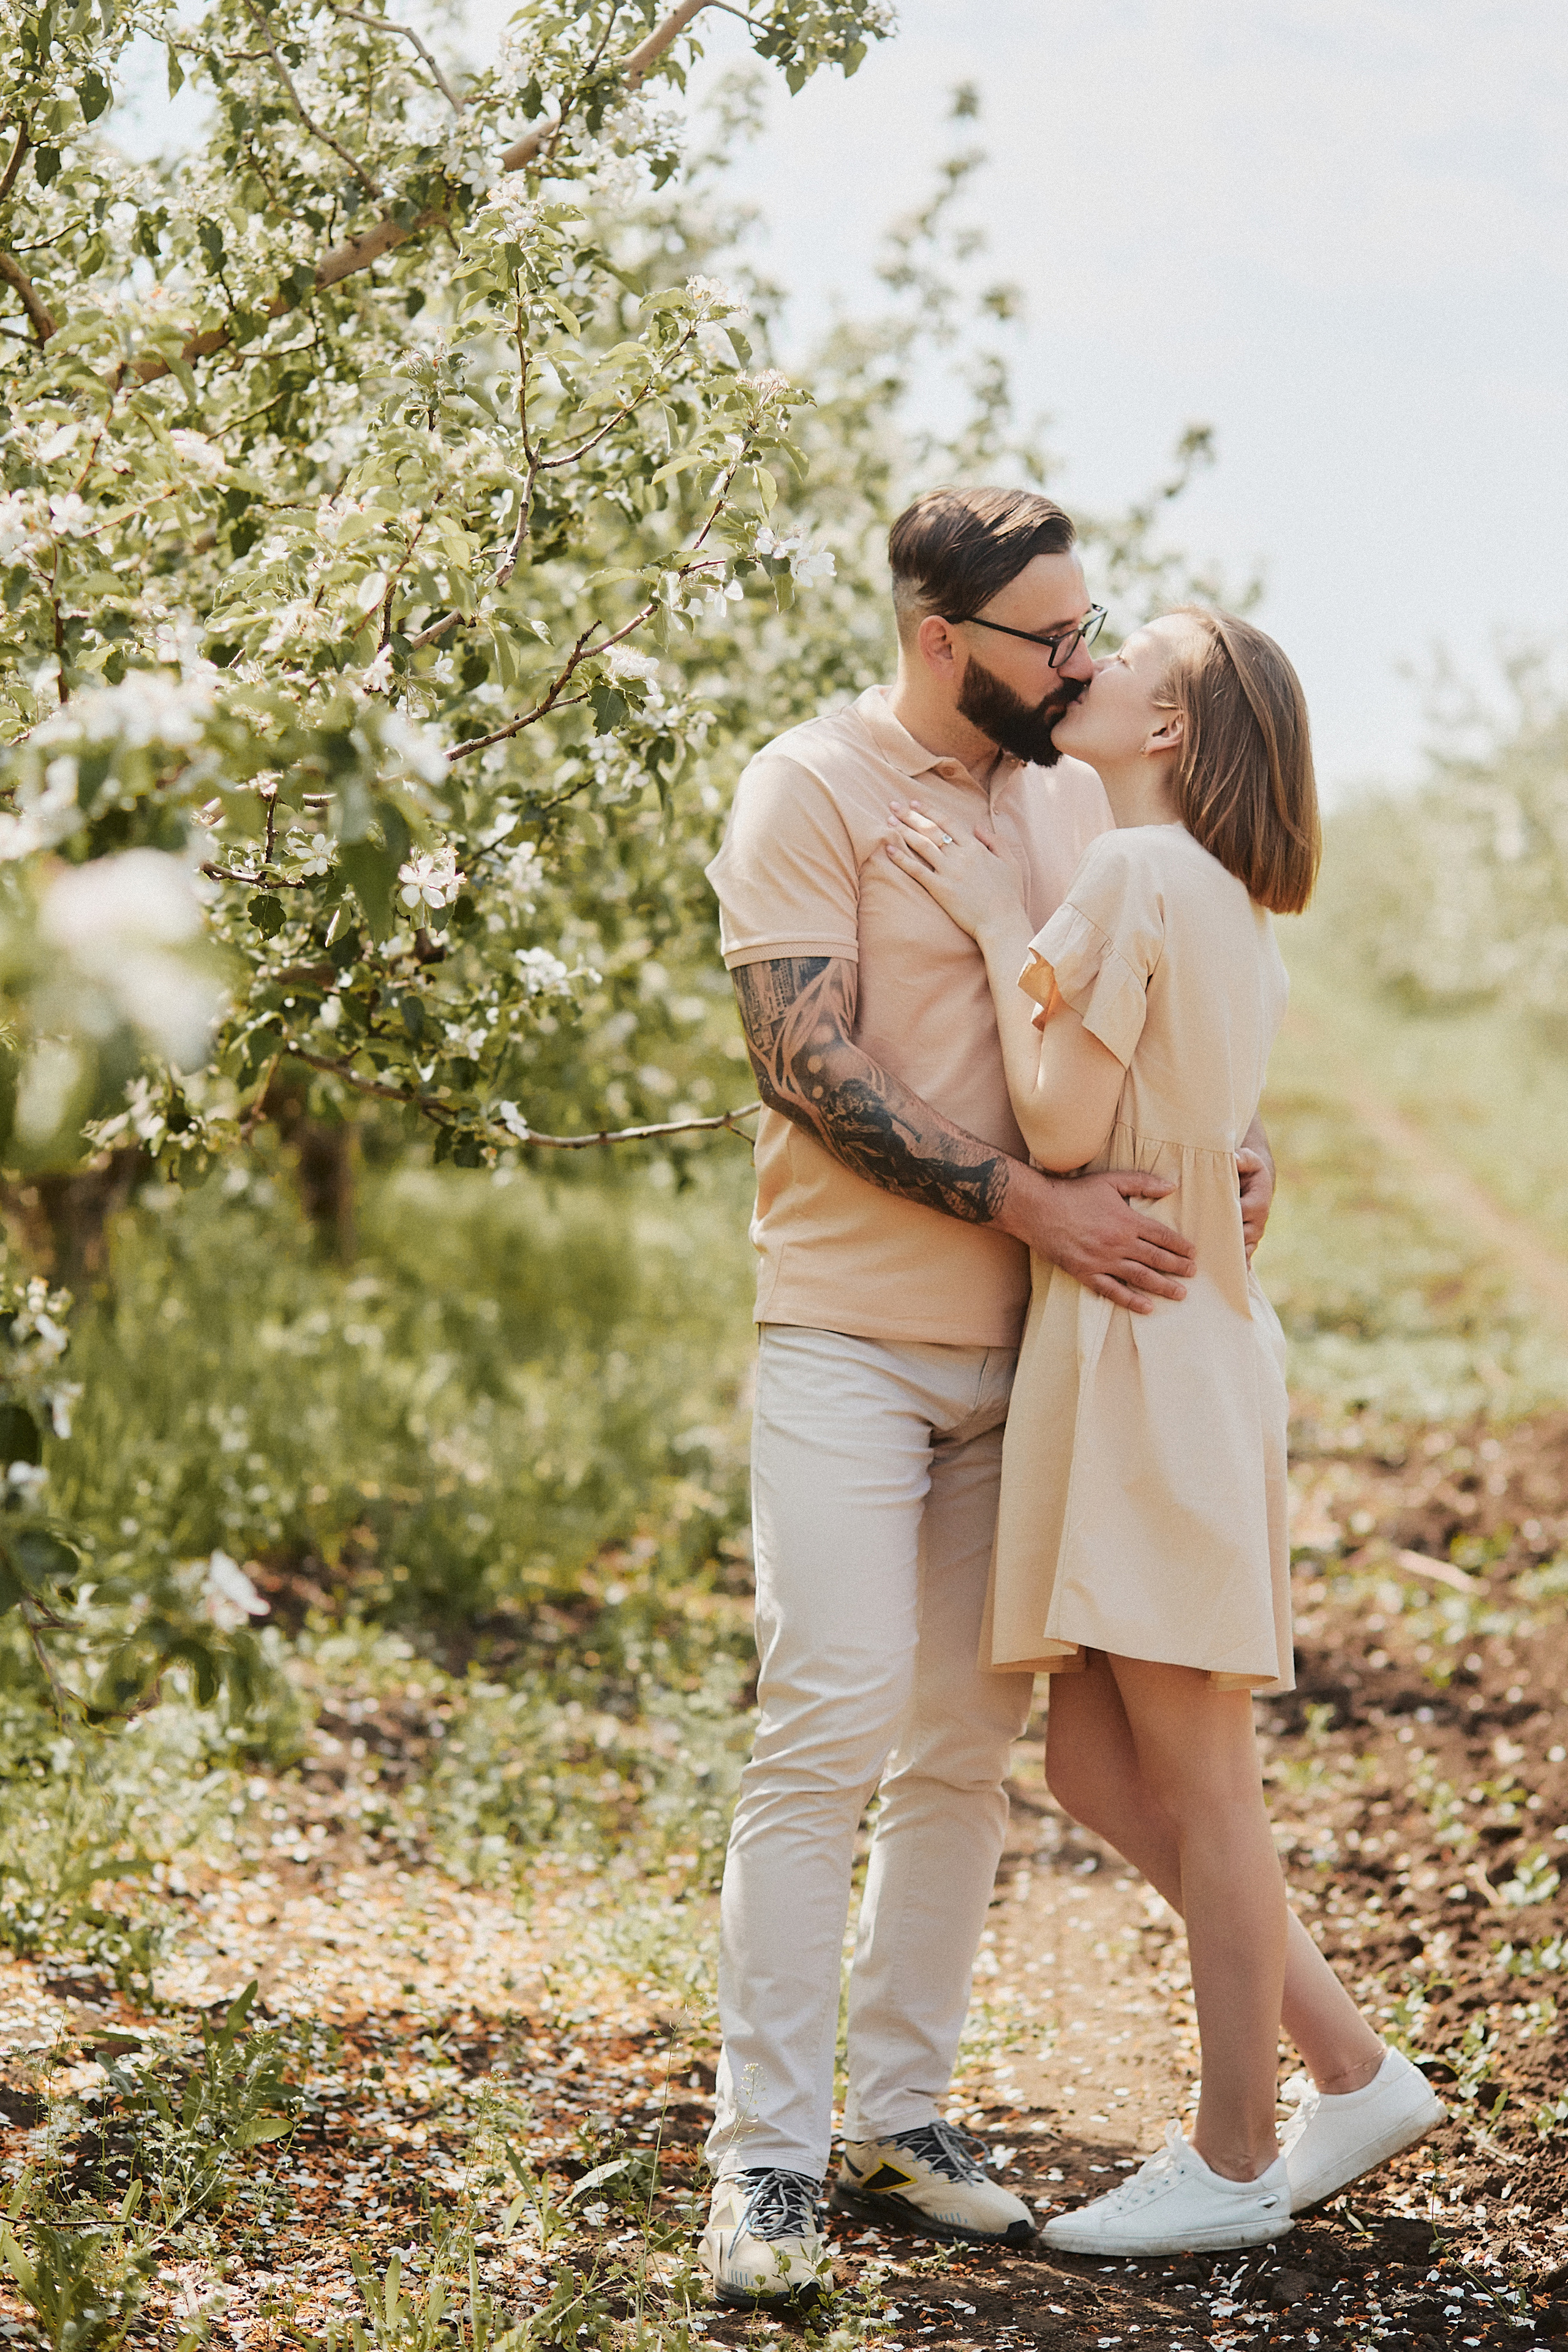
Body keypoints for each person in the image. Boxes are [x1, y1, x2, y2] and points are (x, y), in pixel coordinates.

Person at [696, 487, 1276, 2307]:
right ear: (941, 636)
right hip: (852, 1339)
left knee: (964, 1748)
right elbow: (806, 1063)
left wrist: (1231, 1143)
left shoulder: (1072, 796)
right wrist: (1029, 1197)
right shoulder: (811, 788)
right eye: (1050, 636)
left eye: (1092, 629)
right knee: (832, 1714)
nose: (1083, 661)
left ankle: (900, 2113)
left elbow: (1138, 1011)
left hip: (1040, 1360)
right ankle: (768, 2162)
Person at [884, 605, 1446, 2258]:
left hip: (1145, 1340)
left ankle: (1233, 2151)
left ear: (1174, 729)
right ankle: (1349, 2070)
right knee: (1093, 1758)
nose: (1094, 667)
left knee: (1201, 1778)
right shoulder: (1226, 900)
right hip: (1168, 1336)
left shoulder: (1131, 876)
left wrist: (1001, 924)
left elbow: (1060, 1119)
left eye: (1130, 660)